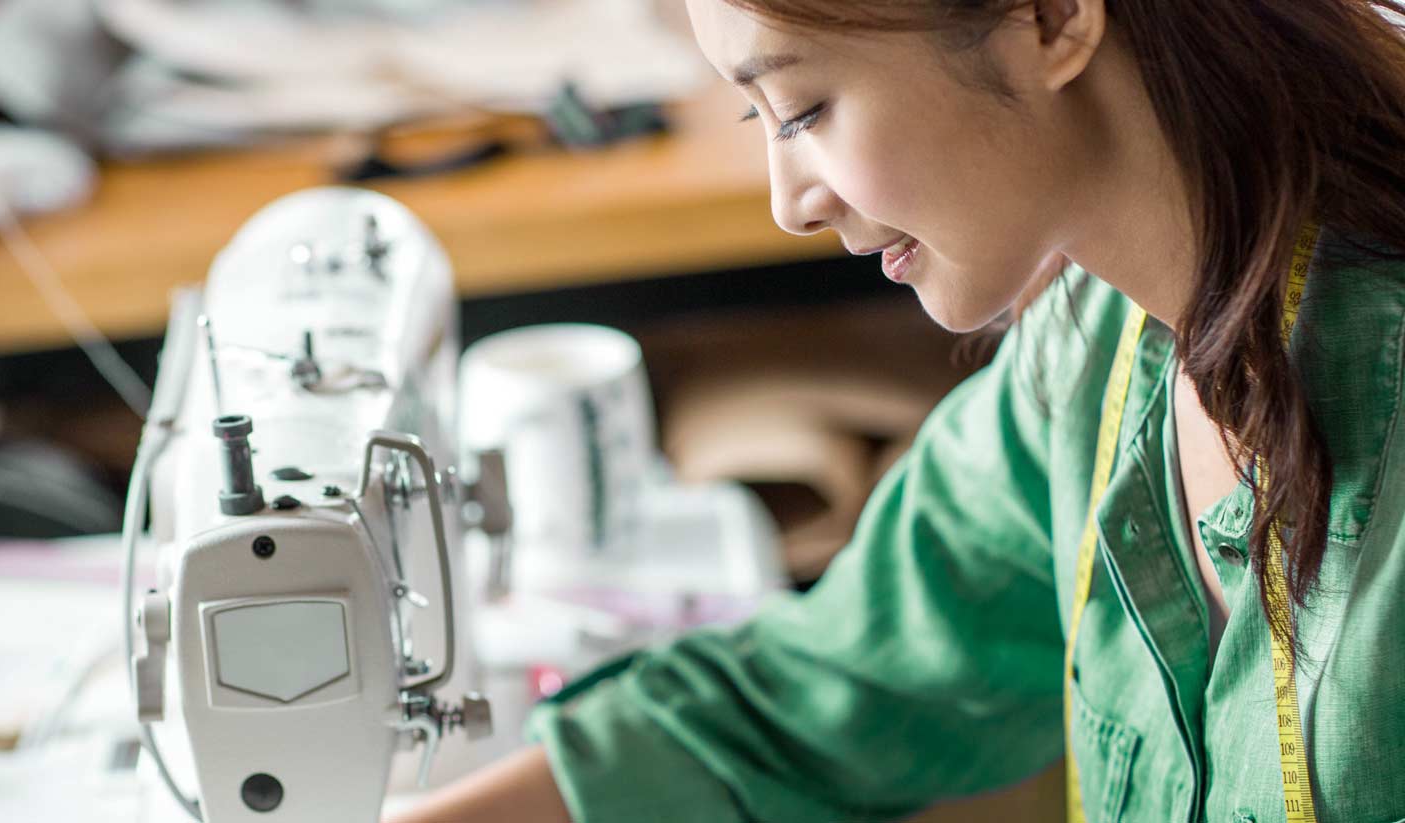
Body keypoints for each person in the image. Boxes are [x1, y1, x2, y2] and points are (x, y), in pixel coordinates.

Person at [390, 0, 1405, 820]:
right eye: (763, 124)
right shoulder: (1091, 356)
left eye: (801, 110)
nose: (789, 201)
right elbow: (814, 694)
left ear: (1052, 21)